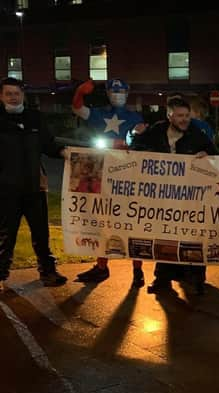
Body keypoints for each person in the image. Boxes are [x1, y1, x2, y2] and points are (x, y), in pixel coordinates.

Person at [131, 97, 216, 295]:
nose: (184, 119)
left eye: (187, 115)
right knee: (165, 236)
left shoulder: (197, 134)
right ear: (169, 115)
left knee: (192, 237)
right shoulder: (157, 131)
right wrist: (136, 136)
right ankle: (163, 278)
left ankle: (196, 279)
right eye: (179, 116)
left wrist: (207, 155)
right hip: (163, 198)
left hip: (190, 198)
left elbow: (214, 153)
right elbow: (136, 149)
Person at [71, 78, 147, 287]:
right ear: (107, 93)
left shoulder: (134, 116)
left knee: (132, 222)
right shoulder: (99, 114)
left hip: (128, 176)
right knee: (102, 221)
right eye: (114, 91)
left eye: (121, 91)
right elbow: (78, 109)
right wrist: (79, 92)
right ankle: (101, 266)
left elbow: (142, 138)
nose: (117, 95)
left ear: (127, 92)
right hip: (102, 173)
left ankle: (138, 270)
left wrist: (137, 136)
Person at [0, 77, 67, 291]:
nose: (13, 97)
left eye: (16, 93)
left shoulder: (35, 118)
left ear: (23, 95)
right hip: (6, 190)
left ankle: (48, 272)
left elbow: (48, 144)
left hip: (35, 187)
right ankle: (1, 272)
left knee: (41, 233)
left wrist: (63, 152)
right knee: (5, 236)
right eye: (8, 93)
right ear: (1, 96)